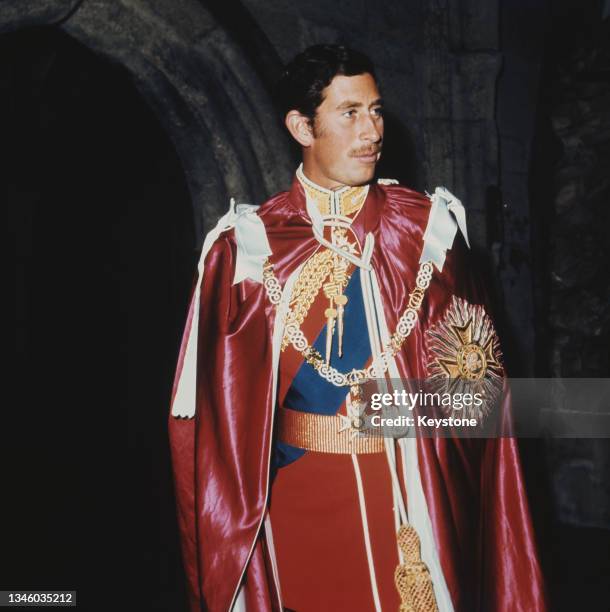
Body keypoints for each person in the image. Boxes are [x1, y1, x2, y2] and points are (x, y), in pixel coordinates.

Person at [168, 44, 546, 612]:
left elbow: (482, 398)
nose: (371, 130)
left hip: (414, 503)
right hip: (299, 513)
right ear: (301, 126)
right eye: (349, 113)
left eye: (376, 110)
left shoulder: (428, 231)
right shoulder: (244, 250)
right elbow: (217, 424)